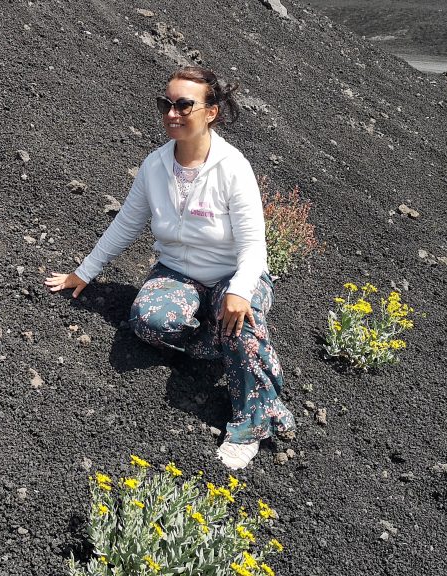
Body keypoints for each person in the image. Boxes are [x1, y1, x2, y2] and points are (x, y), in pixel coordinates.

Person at [44, 66, 295, 470]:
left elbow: (254, 247)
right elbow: (126, 223)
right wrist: (84, 272)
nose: (172, 114)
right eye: (166, 104)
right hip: (177, 273)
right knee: (147, 321)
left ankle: (252, 423)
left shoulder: (233, 168)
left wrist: (241, 289)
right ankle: (223, 348)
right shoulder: (155, 166)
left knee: (242, 319)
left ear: (211, 112)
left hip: (233, 275)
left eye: (183, 105)